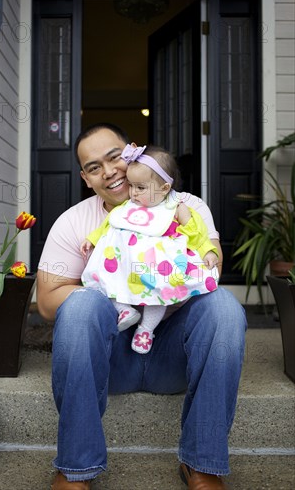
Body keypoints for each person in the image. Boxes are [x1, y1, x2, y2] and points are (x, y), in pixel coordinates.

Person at [37, 123, 247, 490]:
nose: (110, 172)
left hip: (172, 352)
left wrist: (170, 268)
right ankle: (75, 468)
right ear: (86, 179)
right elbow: (47, 301)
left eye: (115, 157)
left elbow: (210, 270)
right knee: (82, 305)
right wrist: (109, 291)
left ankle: (202, 463)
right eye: (94, 167)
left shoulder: (186, 207)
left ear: (134, 152)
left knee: (225, 307)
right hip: (111, 355)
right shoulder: (75, 221)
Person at [80, 143, 219, 354]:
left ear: (164, 188)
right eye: (132, 185)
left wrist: (208, 250)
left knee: (161, 292)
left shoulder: (176, 206)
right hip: (125, 263)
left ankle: (146, 329)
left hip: (157, 264)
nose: (133, 192)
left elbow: (195, 231)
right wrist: (92, 238)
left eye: (141, 188)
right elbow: (110, 224)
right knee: (103, 279)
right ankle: (125, 310)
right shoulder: (127, 206)